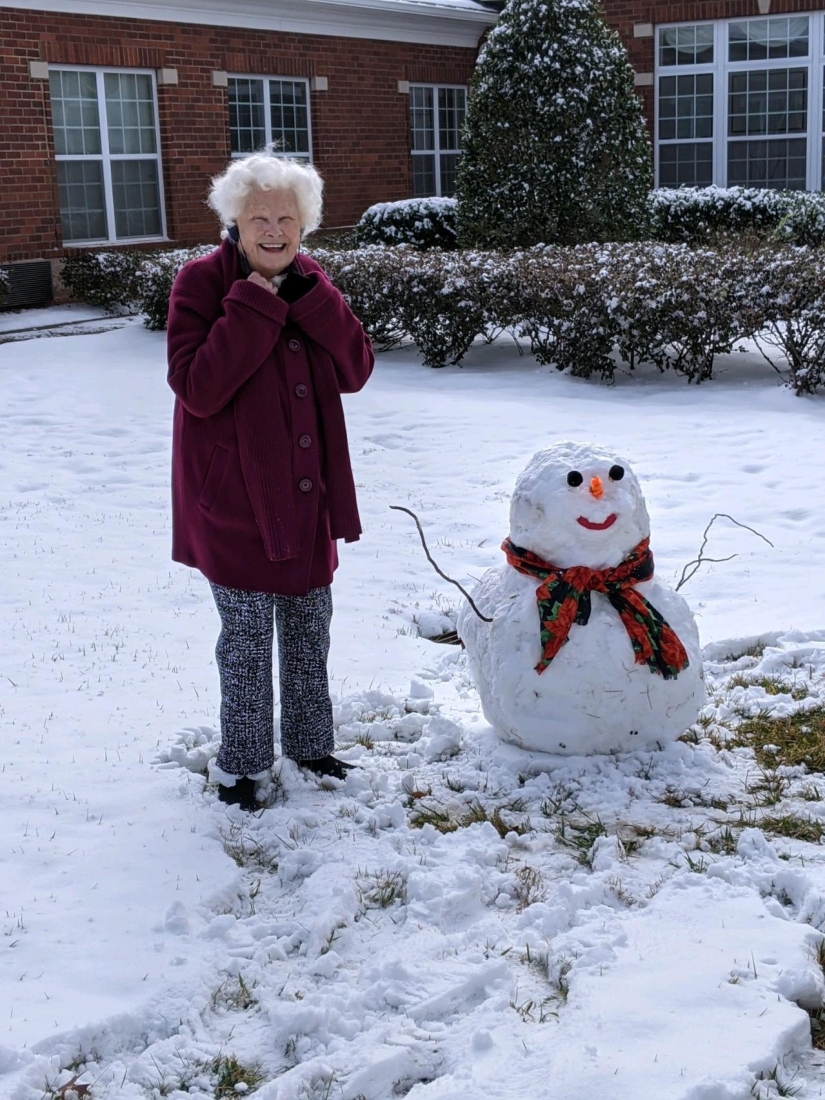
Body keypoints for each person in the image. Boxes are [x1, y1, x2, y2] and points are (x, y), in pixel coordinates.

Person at [166, 151, 374, 810]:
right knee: (249, 641)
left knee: (309, 631)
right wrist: (252, 308)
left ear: (305, 222)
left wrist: (314, 303)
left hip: (306, 495)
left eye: (287, 216)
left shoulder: (312, 280)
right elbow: (197, 388)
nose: (274, 230)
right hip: (234, 500)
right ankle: (243, 766)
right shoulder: (200, 283)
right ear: (236, 220)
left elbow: (355, 368)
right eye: (260, 217)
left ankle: (310, 744)